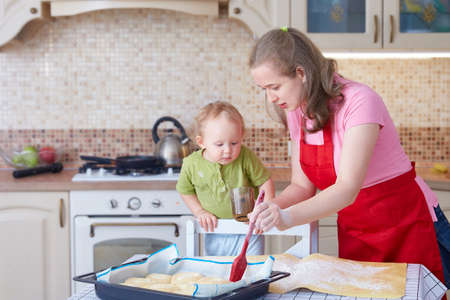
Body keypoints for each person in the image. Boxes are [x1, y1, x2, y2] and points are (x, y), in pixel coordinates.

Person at [247, 27, 448, 289]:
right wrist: (271, 209)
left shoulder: (360, 101)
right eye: (264, 89)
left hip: (404, 225)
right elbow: (301, 186)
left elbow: (347, 188)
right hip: (357, 231)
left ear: (301, 73)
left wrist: (286, 218)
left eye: (275, 86)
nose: (271, 97)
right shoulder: (297, 110)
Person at [176, 100, 275, 256]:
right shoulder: (191, 164)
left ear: (241, 137)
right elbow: (185, 190)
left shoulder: (246, 156)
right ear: (202, 142)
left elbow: (265, 182)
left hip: (249, 229)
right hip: (215, 230)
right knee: (219, 272)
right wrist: (199, 211)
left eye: (234, 143)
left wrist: (264, 210)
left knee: (253, 271)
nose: (228, 150)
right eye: (219, 144)